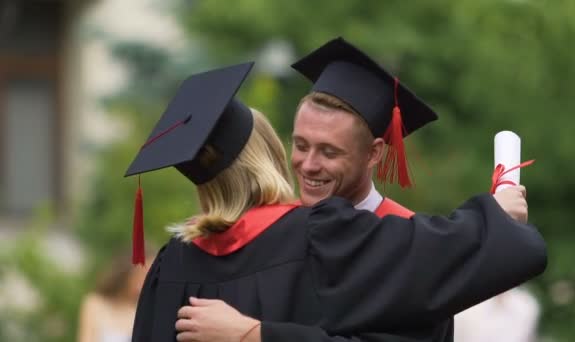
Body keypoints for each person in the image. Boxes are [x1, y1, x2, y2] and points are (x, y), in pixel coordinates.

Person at [126, 61, 545, 342]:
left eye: (329, 151)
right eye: (301, 145)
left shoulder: (171, 265)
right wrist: (496, 219)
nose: (308, 165)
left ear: (375, 154)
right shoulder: (317, 235)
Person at [77, 249, 153, 342]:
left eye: (148, 276)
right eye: (140, 273)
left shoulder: (145, 315)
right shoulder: (95, 303)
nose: (143, 281)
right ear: (128, 270)